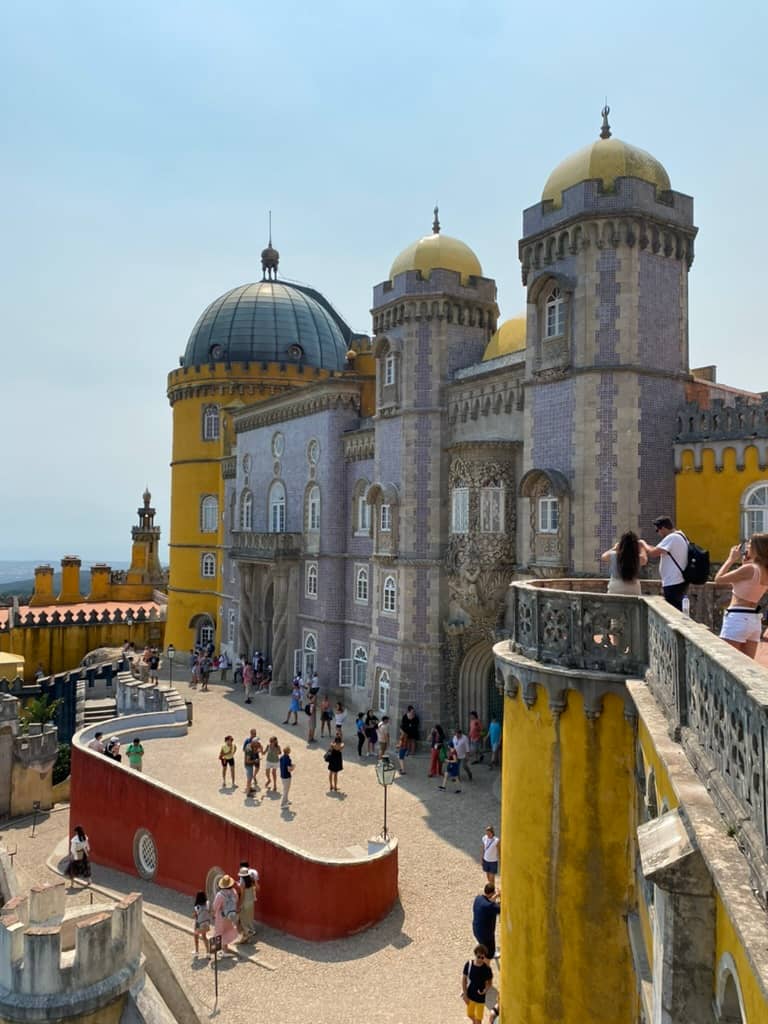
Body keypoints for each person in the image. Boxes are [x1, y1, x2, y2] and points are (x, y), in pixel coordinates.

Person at [714, 534, 768, 659]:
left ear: (756, 547)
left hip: (737, 617)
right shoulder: (764, 570)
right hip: (754, 620)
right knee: (748, 665)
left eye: (749, 543)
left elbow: (718, 579)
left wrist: (731, 559)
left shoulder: (750, 569)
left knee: (727, 661)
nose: (747, 546)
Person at [641, 516, 690, 610]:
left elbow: (653, 553)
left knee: (673, 611)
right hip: (679, 581)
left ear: (663, 528)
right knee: (676, 610)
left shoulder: (672, 537)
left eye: (657, 530)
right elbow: (657, 549)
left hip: (673, 582)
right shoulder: (681, 536)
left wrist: (643, 544)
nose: (658, 533)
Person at [601, 530, 647, 595]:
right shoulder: (638, 558)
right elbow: (644, 560)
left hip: (615, 587)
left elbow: (603, 556)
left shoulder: (614, 555)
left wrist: (614, 548)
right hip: (633, 588)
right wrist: (642, 547)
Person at [461, 945, 494, 1023]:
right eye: (478, 957)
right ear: (475, 954)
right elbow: (464, 979)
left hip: (480, 998)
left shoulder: (487, 969)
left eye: (482, 958)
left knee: (479, 1019)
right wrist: (465, 995)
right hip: (470, 996)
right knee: (470, 1014)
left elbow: (490, 982)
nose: (480, 959)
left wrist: (485, 990)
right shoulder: (469, 964)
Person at [472, 883, 501, 959]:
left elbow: (488, 901)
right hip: (486, 934)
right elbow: (500, 909)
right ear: (492, 893)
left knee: (483, 944)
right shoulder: (489, 907)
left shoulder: (478, 898)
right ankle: (490, 955)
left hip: (476, 930)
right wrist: (500, 897)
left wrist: (495, 896)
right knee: (489, 951)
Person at [212, 874, 239, 955]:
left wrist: (214, 914)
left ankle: (216, 950)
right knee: (227, 930)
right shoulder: (233, 891)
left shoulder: (220, 895)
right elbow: (236, 900)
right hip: (230, 916)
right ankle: (225, 949)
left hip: (221, 916)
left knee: (218, 931)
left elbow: (215, 906)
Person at [236, 863, 259, 942]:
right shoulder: (251, 880)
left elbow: (242, 894)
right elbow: (256, 888)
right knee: (249, 917)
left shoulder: (242, 883)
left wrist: (239, 904)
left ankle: (246, 935)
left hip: (245, 902)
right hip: (251, 901)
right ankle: (250, 932)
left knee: (243, 919)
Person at [192, 890, 211, 957]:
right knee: (204, 937)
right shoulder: (208, 903)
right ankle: (208, 952)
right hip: (206, 923)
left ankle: (197, 952)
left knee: (196, 936)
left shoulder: (197, 907)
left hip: (199, 924)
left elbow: (194, 915)